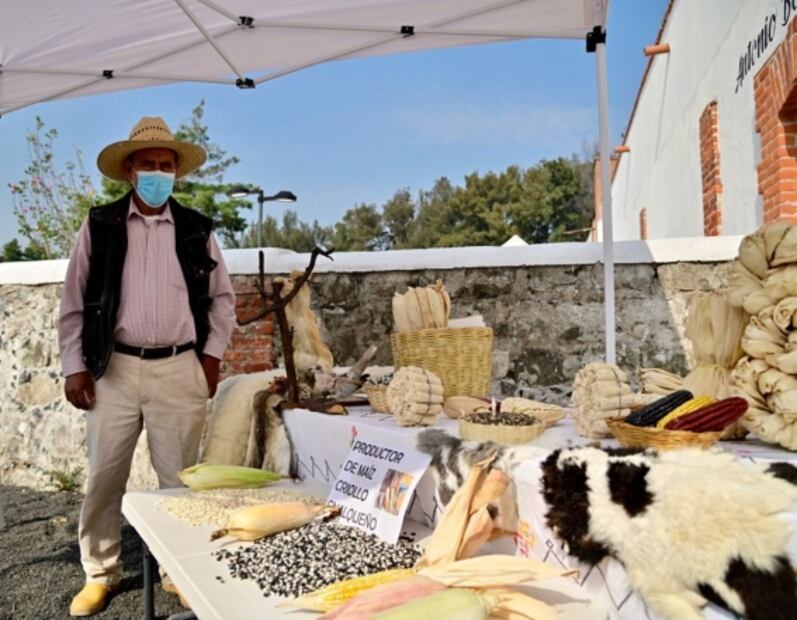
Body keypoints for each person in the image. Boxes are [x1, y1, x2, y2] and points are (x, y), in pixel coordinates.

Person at [58, 116, 237, 617]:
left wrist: (211, 357)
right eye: (147, 164)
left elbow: (223, 300)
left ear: (176, 171)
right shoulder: (100, 225)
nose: (157, 172)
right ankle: (100, 573)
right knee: (104, 476)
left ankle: (176, 572)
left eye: (165, 165)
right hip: (113, 369)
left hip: (179, 367)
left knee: (178, 481)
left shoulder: (197, 229)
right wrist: (74, 366)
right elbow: (73, 301)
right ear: (129, 170)